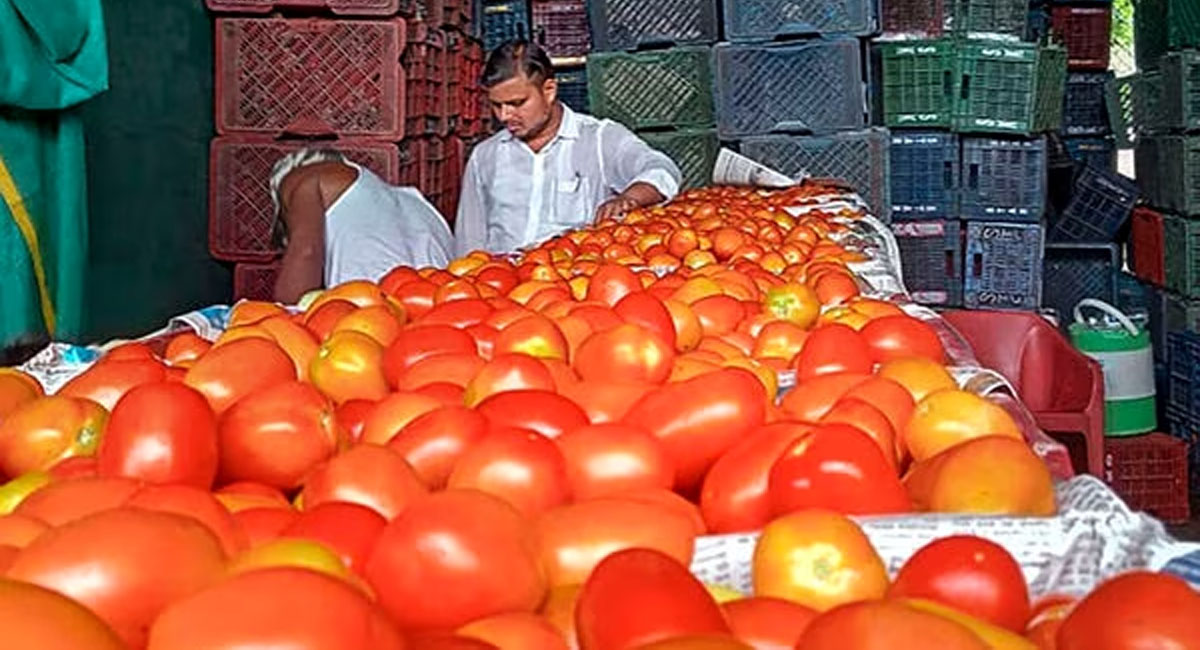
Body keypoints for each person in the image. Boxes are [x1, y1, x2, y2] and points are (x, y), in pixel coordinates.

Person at [455, 40, 682, 257]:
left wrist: (629, 198)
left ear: (549, 90)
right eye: (496, 105)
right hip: (499, 287)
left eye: (517, 103)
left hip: (573, 284)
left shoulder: (599, 139)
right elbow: (469, 242)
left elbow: (662, 170)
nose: (504, 116)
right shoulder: (485, 157)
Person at [268, 148, 453, 304]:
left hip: (372, 313)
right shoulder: (415, 201)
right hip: (443, 309)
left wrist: (279, 319)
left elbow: (306, 253)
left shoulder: (302, 177)